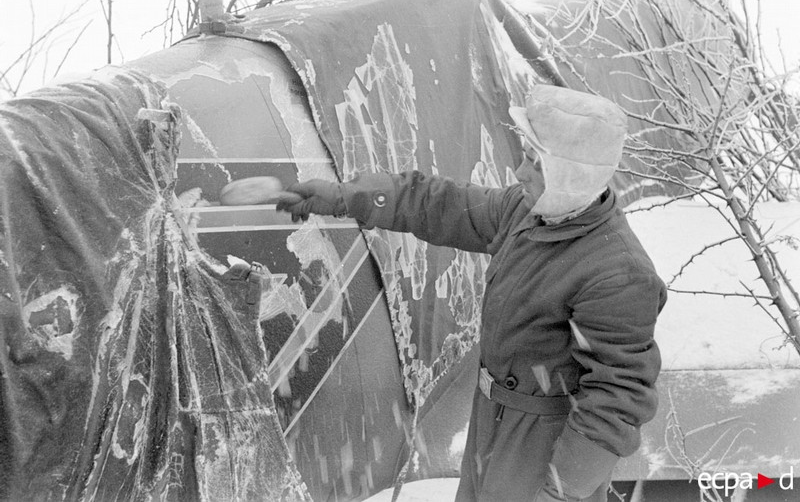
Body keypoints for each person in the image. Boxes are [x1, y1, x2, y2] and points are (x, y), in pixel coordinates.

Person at [276, 85, 666, 502]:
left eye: (535, 163)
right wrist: (345, 197)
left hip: (542, 446)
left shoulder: (618, 274)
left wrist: (560, 492)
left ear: (573, 175)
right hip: (494, 424)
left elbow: (615, 401)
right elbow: (441, 205)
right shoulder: (529, 212)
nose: (519, 172)